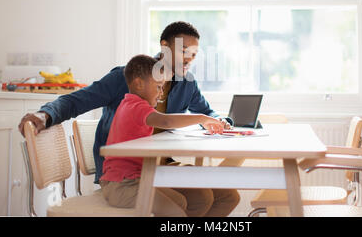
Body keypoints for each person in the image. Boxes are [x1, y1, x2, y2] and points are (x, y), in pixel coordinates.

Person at [18, 21, 240, 216]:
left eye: (194, 53)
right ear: (165, 46)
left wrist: (221, 121)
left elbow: (207, 111)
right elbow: (76, 100)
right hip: (124, 176)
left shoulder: (188, 83)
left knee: (225, 196)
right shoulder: (128, 77)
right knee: (199, 198)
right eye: (184, 51)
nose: (190, 59)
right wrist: (45, 114)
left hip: (160, 165)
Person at [100, 54, 225, 216]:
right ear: (138, 84)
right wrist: (201, 118)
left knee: (180, 202)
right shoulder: (136, 106)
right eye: (158, 87)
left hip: (135, 180)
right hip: (122, 185)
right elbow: (166, 122)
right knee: (177, 212)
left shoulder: (131, 104)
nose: (161, 94)